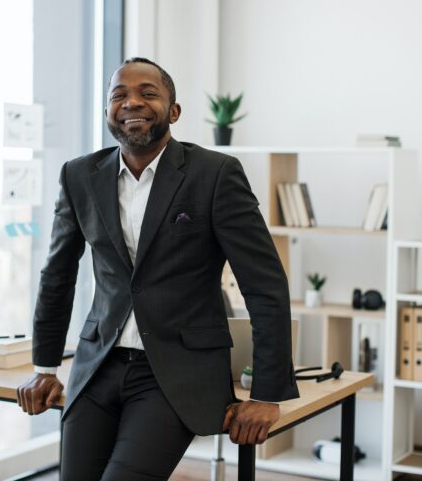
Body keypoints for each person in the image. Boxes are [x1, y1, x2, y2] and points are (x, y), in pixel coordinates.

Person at [16, 57, 299, 481]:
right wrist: (45, 367)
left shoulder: (216, 174)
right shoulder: (79, 176)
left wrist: (266, 394)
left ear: (174, 110)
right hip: (98, 365)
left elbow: (265, 286)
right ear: (108, 110)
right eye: (119, 95)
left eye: (148, 93)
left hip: (177, 372)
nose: (132, 102)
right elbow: (58, 274)